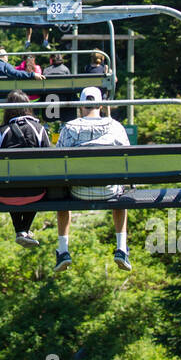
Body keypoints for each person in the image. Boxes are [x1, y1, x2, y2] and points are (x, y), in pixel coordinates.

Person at [52, 86, 132, 273]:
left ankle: (63, 250)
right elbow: (128, 158)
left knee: (60, 195)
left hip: (77, 192)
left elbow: (56, 159)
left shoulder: (69, 128)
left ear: (81, 105)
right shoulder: (115, 127)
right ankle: (121, 248)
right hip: (109, 191)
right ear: (101, 106)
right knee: (120, 191)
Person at [0, 91, 52, 248]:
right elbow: (50, 162)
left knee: (9, 182)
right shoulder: (39, 130)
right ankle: (24, 229)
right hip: (35, 194)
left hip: (4, 195)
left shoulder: (1, 132)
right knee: (33, 183)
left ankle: (20, 230)